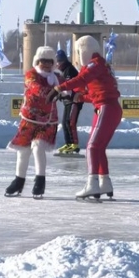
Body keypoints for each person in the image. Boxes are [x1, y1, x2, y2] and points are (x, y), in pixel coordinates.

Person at [47, 35, 122, 200]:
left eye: (79, 51)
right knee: (98, 147)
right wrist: (81, 97)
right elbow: (97, 91)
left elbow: (82, 79)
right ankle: (104, 181)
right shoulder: (101, 65)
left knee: (92, 147)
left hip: (106, 108)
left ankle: (92, 183)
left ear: (84, 50)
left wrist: (59, 88)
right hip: (107, 107)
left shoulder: (95, 64)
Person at [5, 46, 61, 198]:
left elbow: (71, 87)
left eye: (49, 61)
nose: (46, 64)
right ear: (37, 61)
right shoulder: (31, 75)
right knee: (23, 151)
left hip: (48, 122)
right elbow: (37, 89)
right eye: (43, 61)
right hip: (29, 119)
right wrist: (56, 91)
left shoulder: (57, 77)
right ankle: (19, 181)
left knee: (38, 148)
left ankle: (40, 181)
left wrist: (69, 92)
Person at [54, 49, 83, 154]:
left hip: (75, 100)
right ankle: (68, 143)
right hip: (67, 100)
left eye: (60, 61)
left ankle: (74, 144)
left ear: (64, 61)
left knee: (71, 122)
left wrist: (61, 92)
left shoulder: (69, 69)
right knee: (64, 122)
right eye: (57, 61)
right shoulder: (60, 71)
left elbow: (71, 85)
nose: (58, 63)